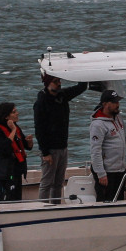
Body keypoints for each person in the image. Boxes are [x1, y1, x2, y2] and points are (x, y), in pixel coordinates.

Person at [33, 73, 91, 202]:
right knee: (47, 182)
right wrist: (45, 152)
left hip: (63, 146)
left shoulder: (63, 95)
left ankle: (55, 206)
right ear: (47, 83)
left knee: (58, 182)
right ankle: (41, 207)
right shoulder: (41, 102)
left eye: (59, 80)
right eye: (55, 81)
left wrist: (79, 69)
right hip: (50, 149)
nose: (59, 83)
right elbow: (39, 129)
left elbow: (81, 87)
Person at [89, 89, 126, 202]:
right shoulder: (98, 125)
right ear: (105, 104)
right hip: (107, 172)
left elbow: (125, 137)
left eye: (118, 101)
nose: (117, 105)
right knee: (106, 201)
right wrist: (101, 174)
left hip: (119, 170)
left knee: (119, 200)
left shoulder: (117, 118)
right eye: (114, 102)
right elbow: (95, 151)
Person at [0, 102, 32, 202]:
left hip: (16, 170)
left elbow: (27, 147)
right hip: (5, 172)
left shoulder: (16, 128)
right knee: (7, 199)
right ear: (6, 116)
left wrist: (29, 142)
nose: (17, 113)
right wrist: (13, 130)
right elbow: (3, 149)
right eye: (14, 112)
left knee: (17, 198)